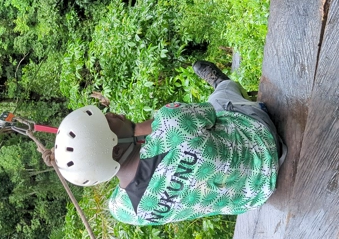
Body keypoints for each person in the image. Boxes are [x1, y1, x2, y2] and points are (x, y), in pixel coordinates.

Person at [53, 60, 286, 225]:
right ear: (115, 148)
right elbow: (208, 116)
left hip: (253, 195)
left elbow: (131, 174)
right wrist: (139, 129)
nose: (115, 114)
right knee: (220, 100)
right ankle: (222, 83)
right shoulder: (171, 121)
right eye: (108, 122)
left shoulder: (123, 210)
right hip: (264, 143)